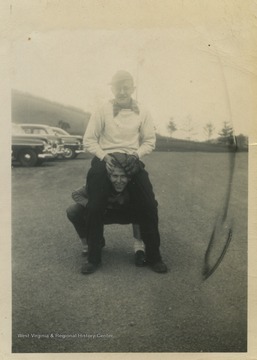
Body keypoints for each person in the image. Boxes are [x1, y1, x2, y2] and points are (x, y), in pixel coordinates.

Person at [83, 70, 167, 274]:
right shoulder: (102, 110)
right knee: (94, 206)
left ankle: (154, 256)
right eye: (117, 87)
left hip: (132, 160)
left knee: (148, 204)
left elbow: (149, 141)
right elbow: (89, 140)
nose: (122, 91)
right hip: (106, 160)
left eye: (126, 87)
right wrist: (104, 157)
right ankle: (94, 258)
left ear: (133, 89)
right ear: (111, 88)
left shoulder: (144, 111)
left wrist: (136, 156)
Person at [66, 155, 146, 271]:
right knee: (73, 211)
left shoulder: (133, 187)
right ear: (108, 176)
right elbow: (75, 194)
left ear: (129, 178)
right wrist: (91, 206)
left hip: (125, 213)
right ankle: (89, 243)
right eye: (115, 176)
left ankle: (139, 248)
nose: (119, 181)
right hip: (103, 214)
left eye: (123, 176)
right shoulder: (98, 185)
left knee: (142, 208)